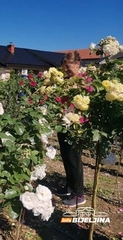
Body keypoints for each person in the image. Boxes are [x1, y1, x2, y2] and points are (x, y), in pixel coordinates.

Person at [56, 51, 86, 207]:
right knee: (66, 157)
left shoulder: (83, 81)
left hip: (75, 126)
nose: (66, 71)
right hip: (63, 123)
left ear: (77, 64)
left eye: (68, 68)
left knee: (74, 159)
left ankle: (78, 193)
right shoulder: (66, 80)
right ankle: (70, 187)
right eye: (64, 68)